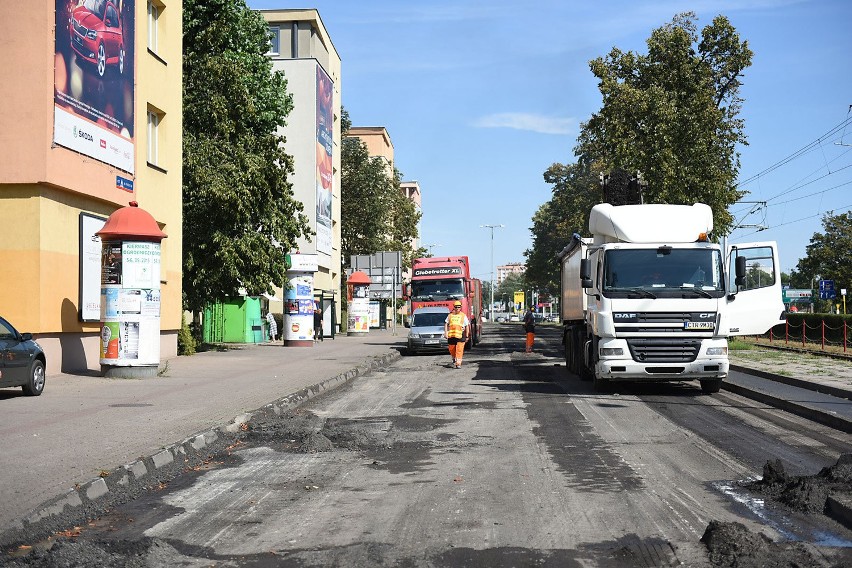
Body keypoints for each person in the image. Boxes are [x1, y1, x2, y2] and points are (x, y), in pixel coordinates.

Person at [444, 301, 470, 368]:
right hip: (452, 336)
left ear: (461, 307)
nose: (457, 308)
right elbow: (446, 323)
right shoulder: (450, 315)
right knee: (452, 349)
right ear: (454, 307)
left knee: (459, 349)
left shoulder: (463, 316)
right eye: (456, 307)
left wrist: (467, 336)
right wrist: (446, 332)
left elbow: (467, 326)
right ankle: (454, 358)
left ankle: (458, 363)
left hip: (461, 336)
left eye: (459, 307)